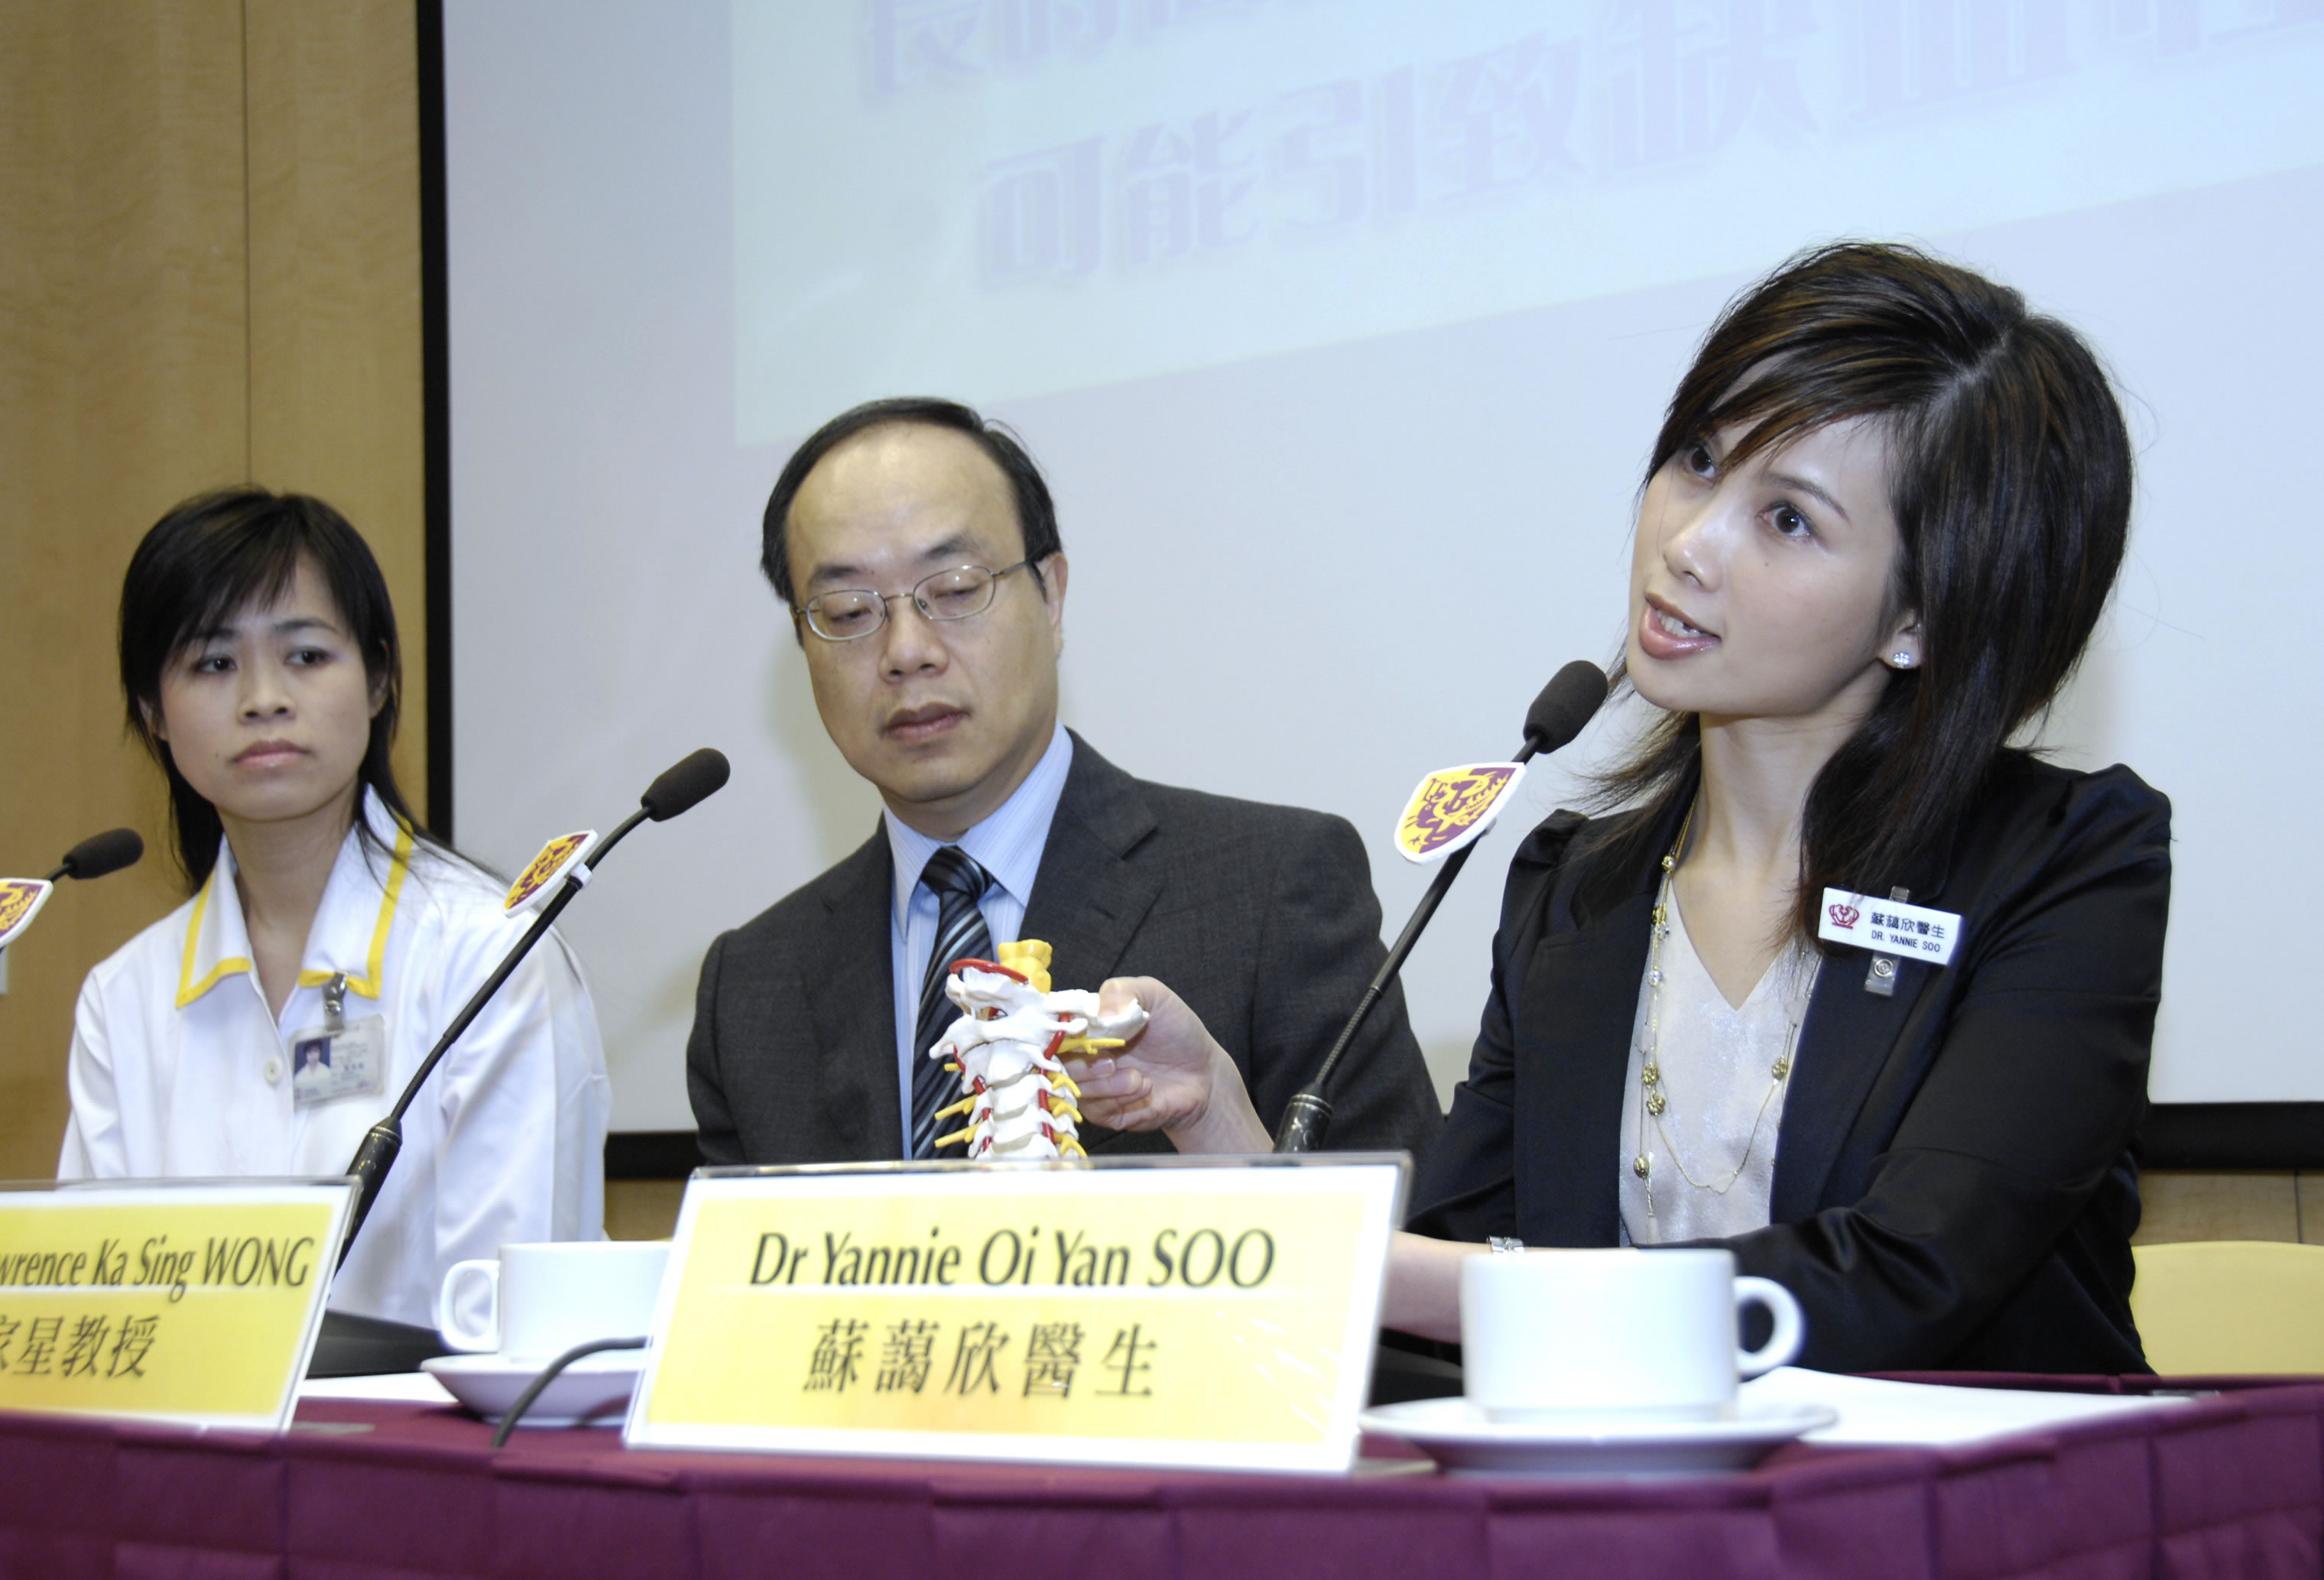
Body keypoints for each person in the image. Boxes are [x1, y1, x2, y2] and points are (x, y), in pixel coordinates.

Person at [1076, 244, 2170, 1374]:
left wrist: (1402, 1270)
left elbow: (1914, 1276)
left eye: (1788, 519)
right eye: (1697, 461)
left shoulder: (2069, 865)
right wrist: (1220, 1127)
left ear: (1923, 619)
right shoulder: (1575, 888)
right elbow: (1446, 1294)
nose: (1687, 544)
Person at [686, 397, 1440, 1165]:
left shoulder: (1271, 891)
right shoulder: (751, 990)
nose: (906, 651)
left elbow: (1404, 1247)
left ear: (1051, 596)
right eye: (848, 611)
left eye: (953, 590)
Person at [60, 488, 610, 1329]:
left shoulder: (490, 956)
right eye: (212, 663)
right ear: (151, 714)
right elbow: (94, 1311)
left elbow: (509, 1321)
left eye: (307, 656)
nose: (263, 698)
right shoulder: (122, 998)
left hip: (420, 1456)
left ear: (381, 677)